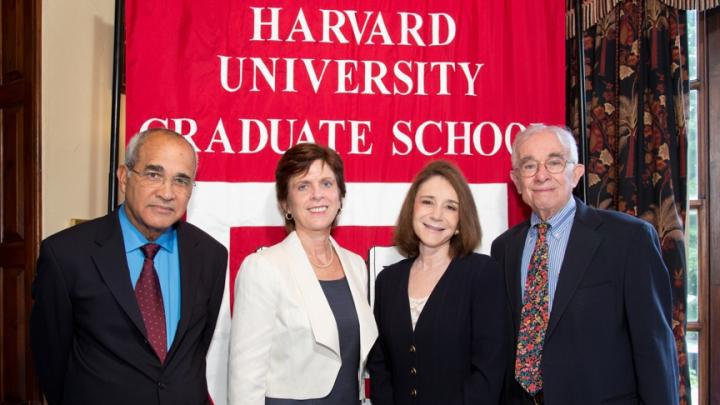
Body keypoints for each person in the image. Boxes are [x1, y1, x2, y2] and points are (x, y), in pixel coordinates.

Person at [30, 128, 229, 405]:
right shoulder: (66, 255)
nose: (167, 192)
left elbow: (195, 349)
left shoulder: (210, 256)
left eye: (181, 180)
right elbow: (51, 360)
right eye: (153, 174)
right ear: (124, 177)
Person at [491, 125, 679, 404]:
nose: (541, 175)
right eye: (529, 166)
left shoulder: (628, 239)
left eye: (554, 162)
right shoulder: (504, 248)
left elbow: (654, 348)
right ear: (516, 180)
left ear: (576, 173)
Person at [228, 143, 378, 405]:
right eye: (303, 186)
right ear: (285, 203)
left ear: (340, 196)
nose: (317, 195)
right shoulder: (262, 267)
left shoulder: (356, 266)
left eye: (327, 184)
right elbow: (244, 381)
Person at [368, 160, 511, 405]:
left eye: (450, 207)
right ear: (412, 208)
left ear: (460, 222)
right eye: (427, 202)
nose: (436, 215)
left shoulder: (483, 274)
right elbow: (381, 367)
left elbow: (489, 372)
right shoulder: (387, 281)